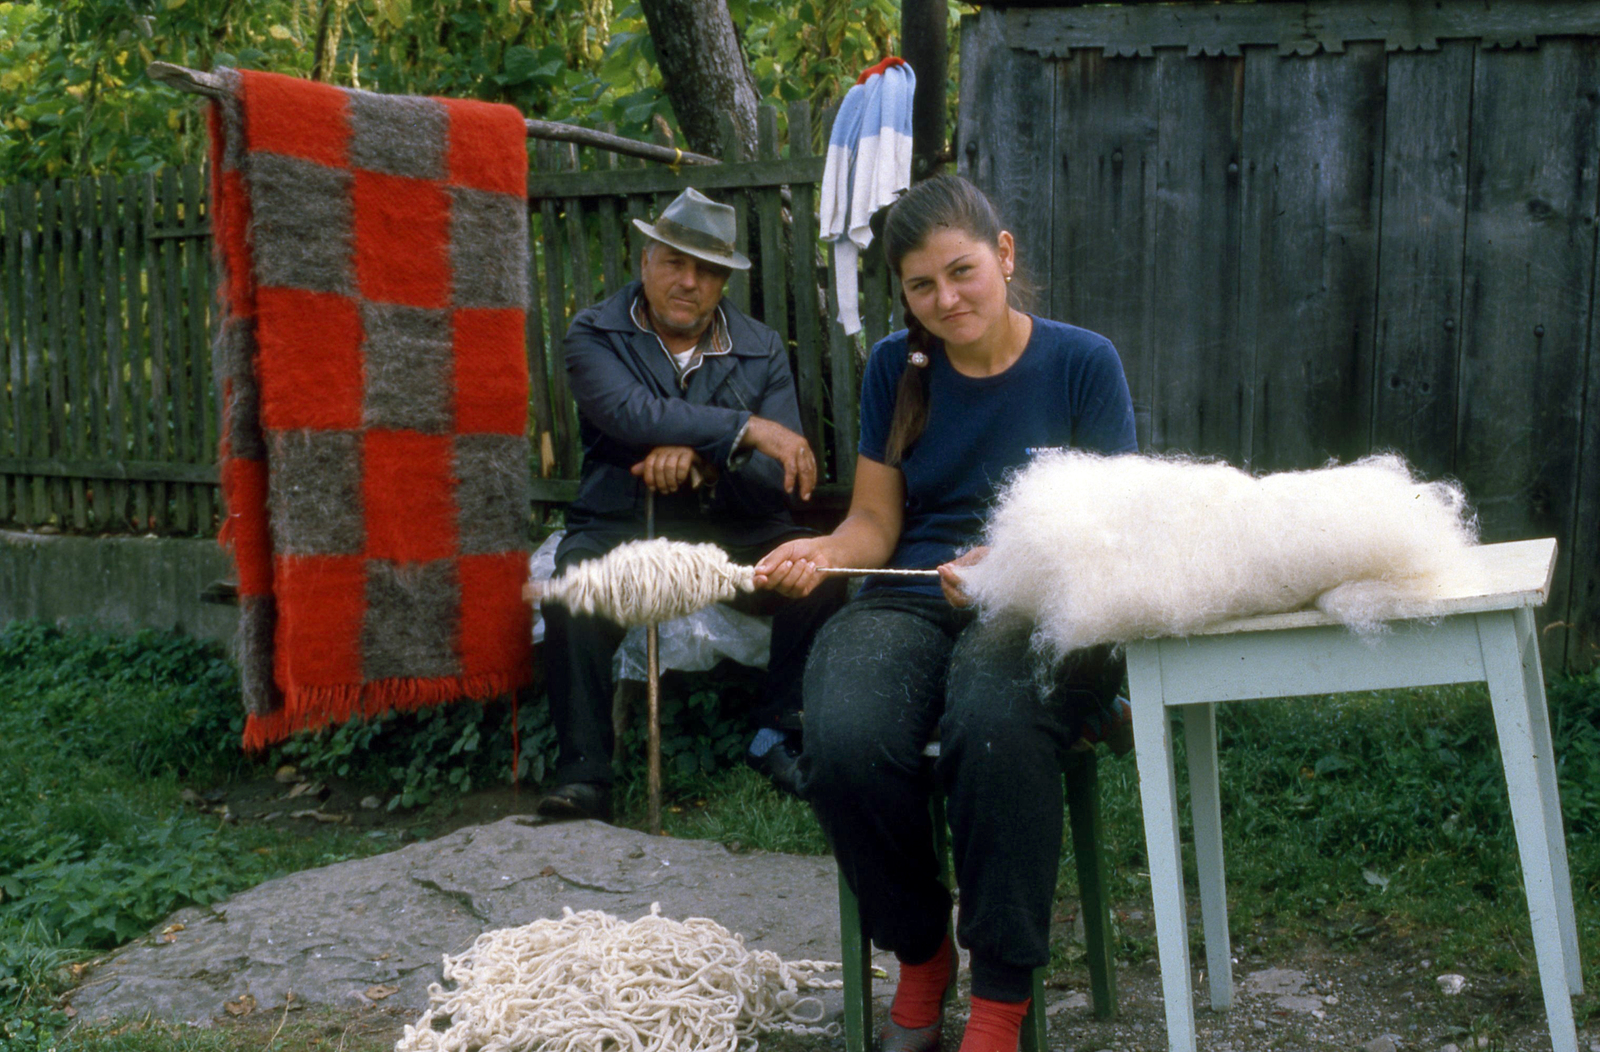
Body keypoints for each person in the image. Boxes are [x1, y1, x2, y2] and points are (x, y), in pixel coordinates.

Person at [753, 175, 1138, 1052]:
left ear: (1003, 256)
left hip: (1044, 601)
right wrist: (821, 553)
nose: (946, 300)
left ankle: (1001, 997)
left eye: (962, 272)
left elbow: (1120, 524)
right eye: (922, 287)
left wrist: (1012, 564)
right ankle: (921, 950)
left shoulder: (1082, 362)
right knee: (843, 734)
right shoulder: (896, 366)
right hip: (915, 594)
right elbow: (875, 523)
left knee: (993, 720)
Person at [538, 187, 846, 822]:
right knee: (572, 586)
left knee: (817, 578)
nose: (688, 282)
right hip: (622, 518)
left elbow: (779, 475)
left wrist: (705, 460)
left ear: (724, 280)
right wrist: (745, 429)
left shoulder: (760, 347)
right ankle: (584, 774)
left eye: (707, 270)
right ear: (645, 260)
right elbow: (628, 412)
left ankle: (773, 736)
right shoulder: (595, 332)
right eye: (674, 262)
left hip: (734, 520)